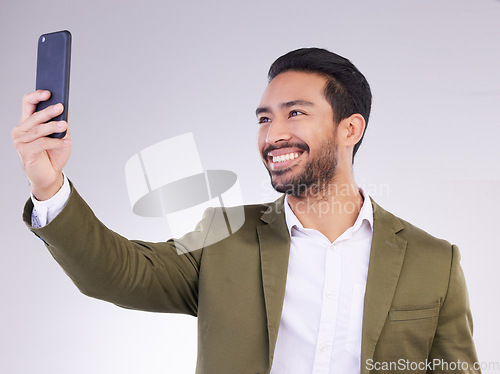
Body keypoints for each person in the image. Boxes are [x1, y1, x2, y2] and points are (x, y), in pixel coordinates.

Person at [12, 48, 480, 374]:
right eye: (264, 118)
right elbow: (120, 274)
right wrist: (49, 185)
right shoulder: (225, 236)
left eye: (295, 113)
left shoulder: (433, 262)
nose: (273, 133)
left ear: (350, 128)